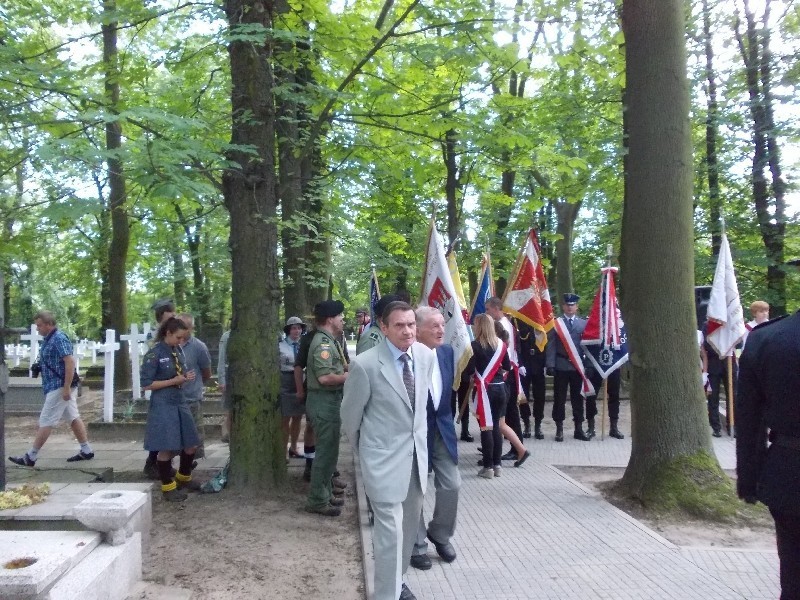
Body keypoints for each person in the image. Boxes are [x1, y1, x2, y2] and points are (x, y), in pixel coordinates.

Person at [341, 301, 434, 600]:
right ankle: (386, 595)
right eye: (399, 325)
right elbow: (350, 417)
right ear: (383, 327)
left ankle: (397, 582)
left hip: (416, 461)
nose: (407, 331)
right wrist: (367, 454)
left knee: (406, 532)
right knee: (389, 535)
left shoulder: (425, 355)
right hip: (382, 462)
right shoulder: (365, 365)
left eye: (411, 324)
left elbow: (420, 412)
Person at [736, 283, 800, 600]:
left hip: (788, 475)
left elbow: (749, 420)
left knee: (793, 577)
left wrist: (749, 480)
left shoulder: (767, 339)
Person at [410, 307, 461, 571]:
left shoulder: (446, 352)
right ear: (417, 330)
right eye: (434, 326)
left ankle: (440, 534)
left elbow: (447, 396)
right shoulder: (407, 358)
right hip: (416, 431)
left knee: (452, 484)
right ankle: (416, 545)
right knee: (415, 490)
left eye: (442, 325)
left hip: (442, 430)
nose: (441, 330)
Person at [9, 310, 95, 467]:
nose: (37, 328)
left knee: (46, 420)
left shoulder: (58, 338)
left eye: (40, 325)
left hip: (59, 386)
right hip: (57, 385)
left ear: (49, 324)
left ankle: (31, 456)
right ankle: (87, 450)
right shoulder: (49, 339)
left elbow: (69, 362)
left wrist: (67, 388)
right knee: (73, 417)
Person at [140, 317, 201, 502]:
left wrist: (185, 377)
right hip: (163, 403)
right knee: (167, 445)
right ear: (168, 333)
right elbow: (146, 384)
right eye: (179, 337)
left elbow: (179, 372)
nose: (182, 341)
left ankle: (184, 477)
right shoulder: (154, 354)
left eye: (183, 338)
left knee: (191, 442)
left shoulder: (178, 350)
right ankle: (168, 486)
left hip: (180, 399)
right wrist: (173, 381)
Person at [304, 300, 349, 517]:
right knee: (325, 453)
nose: (343, 320)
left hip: (329, 401)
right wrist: (347, 377)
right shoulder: (323, 344)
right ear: (330, 319)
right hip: (323, 402)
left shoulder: (330, 341)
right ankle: (317, 500)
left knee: (330, 452)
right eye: (340, 316)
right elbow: (324, 377)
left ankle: (325, 492)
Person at [485, 297, 528, 459]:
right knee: (508, 413)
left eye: (488, 309)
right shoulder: (507, 323)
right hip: (508, 371)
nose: (487, 312)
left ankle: (516, 448)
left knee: (508, 413)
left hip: (505, 372)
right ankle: (511, 446)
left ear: (496, 308)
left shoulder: (501, 326)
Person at [546, 293, 592, 441]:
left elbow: (586, 347)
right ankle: (559, 429)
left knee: (578, 399)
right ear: (563, 306)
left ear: (576, 307)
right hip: (561, 366)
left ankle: (578, 429)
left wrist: (589, 364)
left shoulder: (583, 324)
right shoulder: (556, 323)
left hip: (577, 368)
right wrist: (550, 364)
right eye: (567, 305)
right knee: (559, 399)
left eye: (572, 305)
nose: (570, 307)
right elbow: (551, 345)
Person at [144, 298, 178, 478]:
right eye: (168, 318)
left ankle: (165, 463)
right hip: (162, 388)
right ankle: (153, 463)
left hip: (175, 389)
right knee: (161, 430)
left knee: (170, 430)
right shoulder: (155, 340)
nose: (171, 320)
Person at [176, 313, 212, 458]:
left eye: (184, 326)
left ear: (191, 328)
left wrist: (194, 385)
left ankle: (192, 464)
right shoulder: (170, 345)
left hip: (191, 396)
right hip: (174, 397)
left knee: (194, 433)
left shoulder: (199, 347)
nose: (181, 329)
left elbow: (206, 373)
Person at [701, 319, 737, 437]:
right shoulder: (708, 325)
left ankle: (732, 425)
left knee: (732, 396)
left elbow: (739, 343)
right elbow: (707, 344)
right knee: (713, 397)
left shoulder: (733, 321)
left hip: (729, 364)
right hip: (714, 363)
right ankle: (716, 427)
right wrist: (721, 348)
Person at [279, 316, 307, 459]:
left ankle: (294, 447)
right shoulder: (280, 346)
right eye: (294, 328)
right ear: (288, 330)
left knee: (298, 417)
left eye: (299, 328)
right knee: (285, 418)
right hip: (286, 381)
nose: (297, 331)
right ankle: (283, 450)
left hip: (300, 381)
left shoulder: (304, 345)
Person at [516, 317, 547, 439]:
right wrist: (520, 363)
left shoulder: (543, 320)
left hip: (539, 365)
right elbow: (517, 345)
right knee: (523, 397)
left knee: (540, 396)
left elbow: (547, 344)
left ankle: (538, 425)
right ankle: (526, 423)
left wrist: (547, 364)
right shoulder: (519, 320)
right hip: (525, 365)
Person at [217, 328, 231, 443]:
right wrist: (222, 380)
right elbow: (221, 359)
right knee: (230, 410)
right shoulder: (227, 336)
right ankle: (231, 437)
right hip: (229, 376)